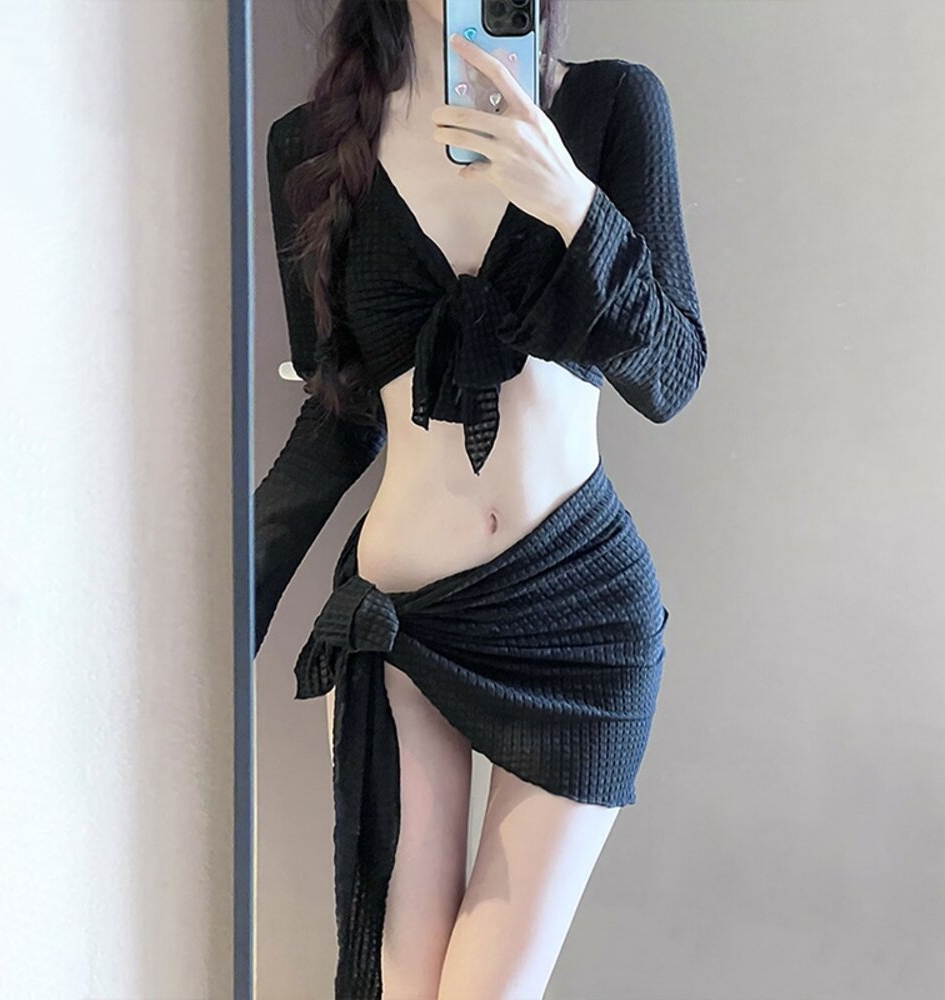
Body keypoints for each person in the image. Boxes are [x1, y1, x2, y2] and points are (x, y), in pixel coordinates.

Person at [255, 2, 707, 997]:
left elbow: (671, 375)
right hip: (400, 631)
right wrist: (213, 624)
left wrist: (573, 206)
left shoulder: (611, 106)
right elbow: (336, 423)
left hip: (580, 629)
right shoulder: (310, 149)